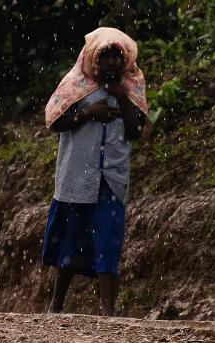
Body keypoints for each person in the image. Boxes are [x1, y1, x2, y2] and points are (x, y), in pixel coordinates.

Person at [42, 27, 149, 316]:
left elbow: (136, 131)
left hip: (111, 179)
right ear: (93, 58)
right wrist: (88, 114)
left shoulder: (130, 89)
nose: (112, 62)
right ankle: (56, 305)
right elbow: (55, 121)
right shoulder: (76, 85)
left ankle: (107, 313)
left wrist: (121, 98)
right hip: (77, 176)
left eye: (117, 57)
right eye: (105, 56)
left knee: (108, 240)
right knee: (70, 239)